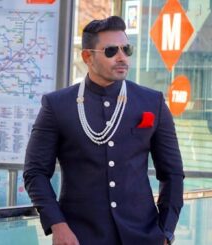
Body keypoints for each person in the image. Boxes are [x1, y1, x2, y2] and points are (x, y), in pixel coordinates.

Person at [23, 16, 184, 245]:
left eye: (126, 49)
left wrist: (165, 232)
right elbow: (35, 172)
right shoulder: (57, 105)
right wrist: (57, 224)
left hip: (144, 237)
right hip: (79, 238)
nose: (122, 57)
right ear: (87, 56)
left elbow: (173, 174)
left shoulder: (152, 102)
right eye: (110, 51)